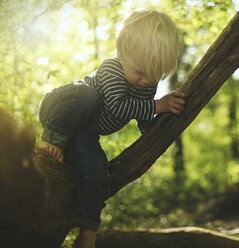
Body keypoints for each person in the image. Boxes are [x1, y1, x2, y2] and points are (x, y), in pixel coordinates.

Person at [36, 10, 184, 248]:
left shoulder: (146, 84)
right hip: (63, 109)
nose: (146, 81)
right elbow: (118, 108)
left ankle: (87, 231)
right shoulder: (111, 69)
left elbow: (143, 116)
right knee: (88, 94)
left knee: (97, 169)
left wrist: (156, 128)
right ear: (121, 54)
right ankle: (51, 140)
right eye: (139, 71)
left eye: (154, 75)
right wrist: (158, 105)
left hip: (84, 133)